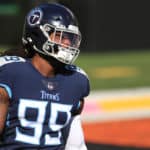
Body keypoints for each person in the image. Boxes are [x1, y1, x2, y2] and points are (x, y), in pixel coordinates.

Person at [0, 2, 90, 150]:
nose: (67, 43)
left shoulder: (76, 80)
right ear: (38, 35)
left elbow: (75, 144)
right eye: (60, 36)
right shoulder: (10, 73)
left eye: (70, 38)